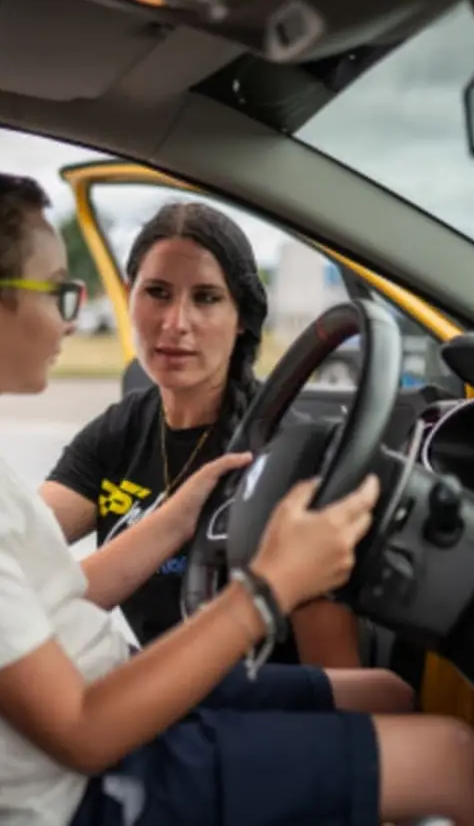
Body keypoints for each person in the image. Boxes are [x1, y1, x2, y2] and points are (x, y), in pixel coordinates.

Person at [0, 162, 474, 826]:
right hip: (90, 787)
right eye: (57, 293)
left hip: (103, 702)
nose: (72, 320)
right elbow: (82, 732)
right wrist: (268, 588)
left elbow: (55, 594)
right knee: (459, 763)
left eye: (205, 299)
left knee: (389, 694)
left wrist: (179, 515)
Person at [41, 201, 365, 668]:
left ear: (242, 317)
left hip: (257, 708)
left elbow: (336, 677)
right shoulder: (118, 431)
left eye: (207, 298)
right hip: (154, 697)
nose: (176, 323)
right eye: (157, 292)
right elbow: (15, 552)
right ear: (129, 297)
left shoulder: (291, 457)